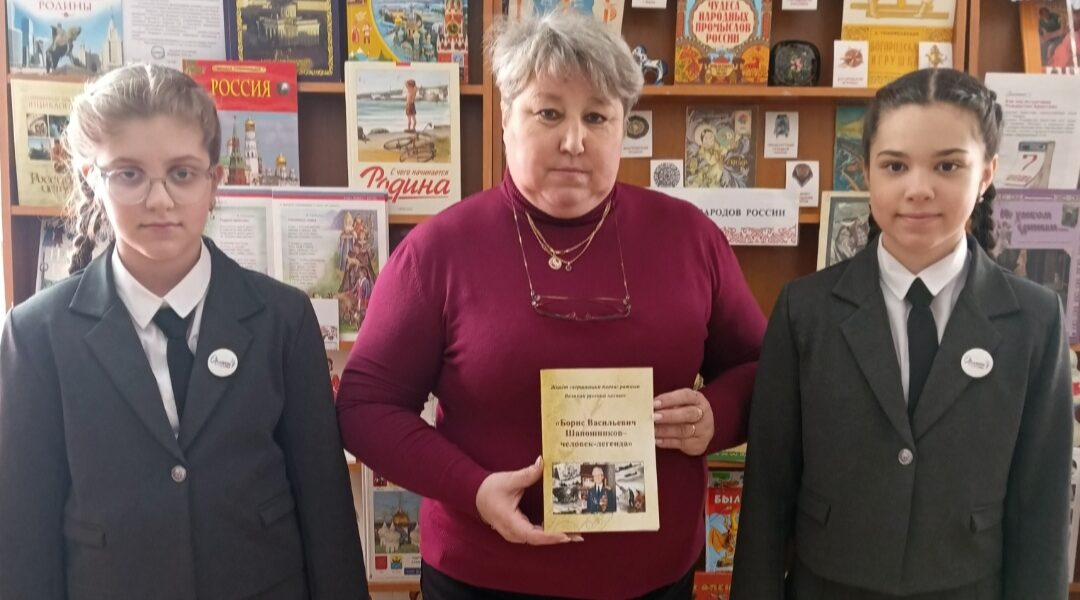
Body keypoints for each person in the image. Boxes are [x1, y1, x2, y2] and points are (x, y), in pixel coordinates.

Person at [337, 11, 765, 598]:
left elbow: (760, 367)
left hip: (654, 579)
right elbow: (365, 406)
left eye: (597, 116)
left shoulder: (691, 238)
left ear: (623, 125)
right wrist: (472, 488)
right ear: (506, 119)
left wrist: (717, 415)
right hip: (483, 576)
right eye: (549, 113)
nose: (574, 141)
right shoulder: (437, 251)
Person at [0, 64, 367, 599]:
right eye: (129, 174)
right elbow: (23, 532)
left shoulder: (282, 319)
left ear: (214, 182)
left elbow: (325, 511)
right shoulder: (36, 335)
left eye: (182, 173)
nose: (159, 200)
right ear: (91, 178)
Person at [732, 68, 1072, 600]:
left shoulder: (1035, 319)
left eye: (947, 165)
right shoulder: (805, 310)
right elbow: (767, 493)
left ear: (986, 173)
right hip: (828, 585)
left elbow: (1042, 510)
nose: (918, 189)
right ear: (866, 171)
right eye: (895, 165)